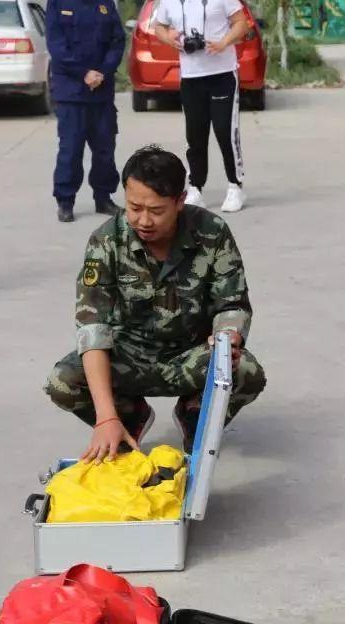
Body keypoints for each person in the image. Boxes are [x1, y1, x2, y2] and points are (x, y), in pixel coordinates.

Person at [44, 145, 266, 459]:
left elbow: (232, 303)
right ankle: (128, 416)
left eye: (156, 211)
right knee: (62, 382)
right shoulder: (106, 241)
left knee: (245, 372)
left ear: (180, 200)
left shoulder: (211, 232)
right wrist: (106, 416)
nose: (143, 220)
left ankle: (194, 414)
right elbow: (93, 329)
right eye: (134, 207)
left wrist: (227, 339)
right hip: (129, 356)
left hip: (190, 354)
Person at [153, 0, 250, 213]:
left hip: (221, 74)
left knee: (224, 132)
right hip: (191, 76)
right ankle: (195, 186)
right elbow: (158, 27)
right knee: (195, 135)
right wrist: (169, 37)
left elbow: (241, 23)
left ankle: (235, 185)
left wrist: (224, 42)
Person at [45, 0, 126, 224]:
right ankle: (65, 201)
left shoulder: (105, 3)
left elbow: (117, 42)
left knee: (105, 148)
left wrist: (102, 72)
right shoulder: (57, 2)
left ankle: (103, 198)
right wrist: (84, 73)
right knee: (71, 149)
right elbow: (57, 47)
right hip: (71, 92)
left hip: (101, 92)